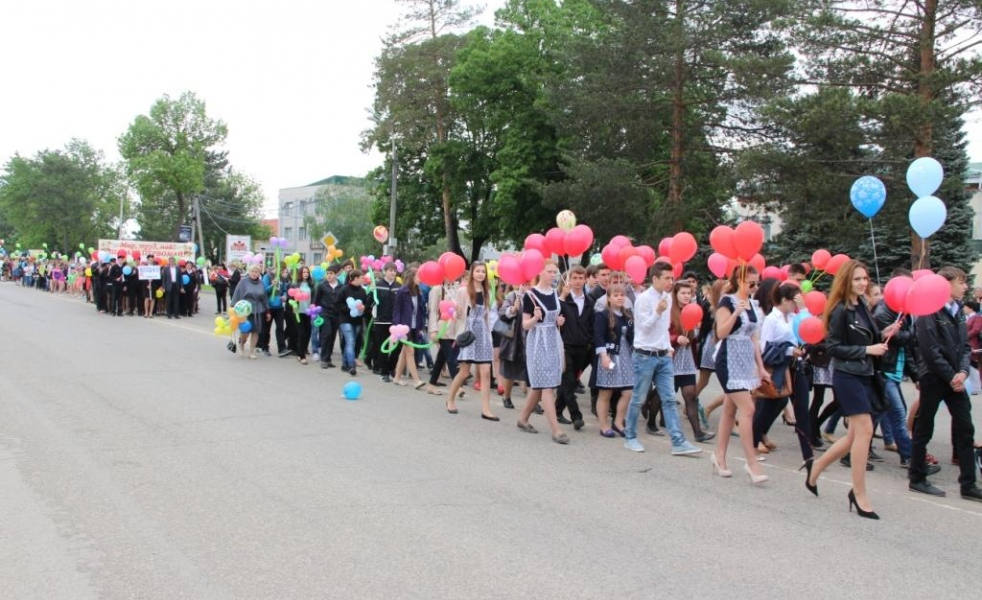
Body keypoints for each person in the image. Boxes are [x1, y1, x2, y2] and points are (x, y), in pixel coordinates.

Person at [805, 260, 895, 519]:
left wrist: (886, 332)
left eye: (865, 278)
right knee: (865, 430)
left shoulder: (863, 307)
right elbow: (833, 347)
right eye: (857, 279)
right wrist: (867, 350)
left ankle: (816, 467)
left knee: (855, 436)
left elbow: (869, 338)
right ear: (846, 281)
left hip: (866, 375)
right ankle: (858, 492)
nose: (863, 283)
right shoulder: (840, 310)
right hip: (847, 376)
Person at [909, 266, 982, 502]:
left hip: (955, 379)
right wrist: (951, 375)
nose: (965, 286)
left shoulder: (958, 310)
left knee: (965, 427)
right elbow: (930, 350)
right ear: (946, 284)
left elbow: (964, 346)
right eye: (961, 282)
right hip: (934, 377)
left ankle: (968, 484)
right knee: (924, 427)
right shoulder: (929, 311)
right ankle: (917, 477)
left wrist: (962, 371)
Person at [623, 262, 701, 456]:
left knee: (668, 399)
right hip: (644, 355)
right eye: (666, 278)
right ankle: (630, 436)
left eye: (671, 278)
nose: (670, 282)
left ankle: (678, 441)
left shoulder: (667, 297)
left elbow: (664, 328)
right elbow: (644, 328)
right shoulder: (643, 299)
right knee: (639, 398)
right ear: (655, 278)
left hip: (663, 355)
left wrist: (667, 347)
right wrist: (657, 311)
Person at [711, 265, 769, 483]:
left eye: (757, 283)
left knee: (729, 409)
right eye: (750, 283)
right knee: (748, 408)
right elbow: (721, 332)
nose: (754, 287)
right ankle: (751, 462)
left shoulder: (754, 305)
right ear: (739, 281)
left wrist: (760, 367)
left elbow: (754, 338)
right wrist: (736, 312)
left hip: (745, 361)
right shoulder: (727, 301)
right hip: (728, 359)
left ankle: (719, 456)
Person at [753, 282, 812, 464]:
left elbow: (808, 330)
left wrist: (803, 311)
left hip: (797, 367)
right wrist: (788, 350)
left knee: (802, 410)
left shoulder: (795, 317)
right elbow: (765, 347)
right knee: (771, 406)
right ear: (785, 300)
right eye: (794, 301)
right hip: (779, 367)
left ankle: (807, 455)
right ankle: (753, 441)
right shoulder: (773, 318)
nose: (796, 305)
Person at [872, 269, 921, 469]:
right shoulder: (884, 311)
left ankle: (856, 450)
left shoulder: (904, 312)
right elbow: (898, 339)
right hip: (884, 369)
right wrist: (913, 332)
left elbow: (907, 347)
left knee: (877, 412)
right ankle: (908, 457)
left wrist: (915, 375)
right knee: (898, 413)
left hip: (895, 370)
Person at [516, 260, 568, 444]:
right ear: (540, 272)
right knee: (546, 386)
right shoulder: (530, 295)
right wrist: (535, 318)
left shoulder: (554, 293)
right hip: (538, 343)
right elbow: (524, 325)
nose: (553, 275)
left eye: (555, 272)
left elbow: (554, 319)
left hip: (553, 340)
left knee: (539, 386)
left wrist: (558, 322)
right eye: (550, 271)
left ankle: (523, 419)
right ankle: (556, 430)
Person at [446, 262, 498, 421]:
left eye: (483, 271)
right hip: (468, 333)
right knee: (464, 372)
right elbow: (457, 315)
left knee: (485, 373)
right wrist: (454, 333)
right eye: (478, 271)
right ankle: (450, 399)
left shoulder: (487, 291)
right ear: (472, 273)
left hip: (483, 334)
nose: (481, 274)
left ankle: (486, 409)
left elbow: (489, 315)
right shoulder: (463, 291)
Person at [670, 281, 714, 442]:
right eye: (683, 293)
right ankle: (651, 417)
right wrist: (675, 338)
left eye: (689, 293)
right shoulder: (669, 311)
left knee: (690, 395)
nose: (687, 296)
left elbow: (696, 336)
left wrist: (694, 334)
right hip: (672, 358)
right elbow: (661, 334)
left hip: (687, 358)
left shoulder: (694, 310)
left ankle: (698, 432)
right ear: (675, 294)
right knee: (665, 395)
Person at [593, 283, 633, 437]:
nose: (620, 298)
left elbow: (632, 334)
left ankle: (618, 422)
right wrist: (603, 355)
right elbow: (598, 336)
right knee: (606, 392)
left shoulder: (628, 315)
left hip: (626, 356)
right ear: (609, 298)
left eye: (622, 295)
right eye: (616, 295)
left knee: (628, 391)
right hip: (610, 355)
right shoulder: (602, 315)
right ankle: (604, 426)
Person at [557, 265, 592, 430]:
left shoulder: (589, 301)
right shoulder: (563, 299)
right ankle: (576, 415)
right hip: (564, 345)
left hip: (582, 347)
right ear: (569, 280)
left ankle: (557, 409)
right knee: (568, 379)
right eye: (574, 278)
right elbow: (554, 314)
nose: (578, 282)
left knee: (570, 382)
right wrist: (563, 296)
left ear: (585, 280)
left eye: (581, 278)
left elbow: (590, 324)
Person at [426, 277, 464, 395]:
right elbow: (432, 311)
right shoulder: (437, 289)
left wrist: (459, 310)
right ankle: (457, 387)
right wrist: (433, 330)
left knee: (441, 358)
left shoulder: (459, 289)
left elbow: (460, 312)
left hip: (455, 328)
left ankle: (431, 384)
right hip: (442, 328)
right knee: (452, 358)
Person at [391, 267, 428, 388]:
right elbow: (397, 310)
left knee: (404, 353)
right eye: (419, 276)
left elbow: (420, 311)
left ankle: (397, 378)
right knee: (410, 352)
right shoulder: (402, 291)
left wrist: (421, 326)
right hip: (403, 328)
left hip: (414, 327)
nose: (421, 279)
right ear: (412, 277)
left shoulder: (419, 292)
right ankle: (416, 380)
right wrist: (397, 327)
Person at [230, 263, 271, 359]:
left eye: (256, 272)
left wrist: (267, 311)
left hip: (258, 310)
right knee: (245, 332)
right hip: (245, 310)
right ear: (249, 272)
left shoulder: (261, 283)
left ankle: (252, 351)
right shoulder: (243, 282)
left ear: (259, 273)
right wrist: (233, 307)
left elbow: (264, 297)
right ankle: (242, 344)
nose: (254, 273)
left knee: (256, 331)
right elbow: (236, 294)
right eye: (252, 271)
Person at [497, 283, 528, 408]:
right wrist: (513, 309)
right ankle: (507, 396)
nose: (527, 285)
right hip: (515, 339)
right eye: (525, 282)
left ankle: (533, 400)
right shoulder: (513, 295)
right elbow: (502, 312)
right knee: (510, 371)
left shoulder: (536, 295)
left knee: (530, 371)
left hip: (531, 338)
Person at [336, 269, 372, 376]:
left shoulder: (362, 291)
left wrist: (363, 308)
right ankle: (352, 365)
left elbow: (365, 304)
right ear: (355, 278)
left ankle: (345, 363)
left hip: (357, 321)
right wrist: (349, 309)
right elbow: (337, 304)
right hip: (345, 320)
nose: (363, 279)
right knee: (350, 341)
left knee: (351, 342)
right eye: (361, 277)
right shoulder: (344, 290)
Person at [369, 263, 400, 380]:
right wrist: (371, 293)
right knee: (382, 347)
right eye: (390, 270)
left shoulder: (399, 286)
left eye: (394, 271)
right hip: (381, 321)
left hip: (395, 322)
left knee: (397, 347)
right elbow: (370, 303)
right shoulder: (377, 285)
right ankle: (384, 372)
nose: (393, 273)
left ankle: (391, 367)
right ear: (385, 271)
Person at [315, 266, 342, 368]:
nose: (329, 276)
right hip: (324, 313)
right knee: (326, 334)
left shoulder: (341, 286)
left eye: (331, 273)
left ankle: (328, 358)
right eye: (328, 273)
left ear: (336, 274)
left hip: (336, 314)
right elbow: (316, 301)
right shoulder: (322, 286)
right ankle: (324, 359)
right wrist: (316, 313)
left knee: (332, 336)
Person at [289, 266, 314, 365]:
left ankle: (302, 351)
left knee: (308, 333)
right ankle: (301, 355)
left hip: (308, 311)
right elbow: (290, 297)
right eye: (304, 272)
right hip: (298, 312)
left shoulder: (311, 284)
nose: (306, 274)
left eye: (307, 272)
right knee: (301, 333)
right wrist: (293, 304)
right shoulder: (295, 284)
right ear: (300, 273)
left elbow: (314, 297)